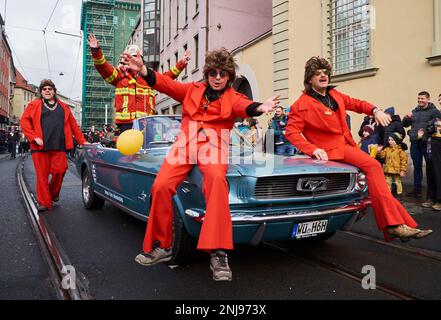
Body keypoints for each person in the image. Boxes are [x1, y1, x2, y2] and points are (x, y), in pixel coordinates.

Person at [123, 48, 280, 281]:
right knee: (161, 186)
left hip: (214, 146)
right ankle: (163, 246)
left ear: (229, 76)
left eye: (223, 74)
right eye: (213, 73)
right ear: (207, 74)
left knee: (217, 182)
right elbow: (166, 84)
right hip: (185, 145)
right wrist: (144, 70)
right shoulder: (192, 90)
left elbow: (245, 106)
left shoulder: (233, 97)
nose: (218, 77)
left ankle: (218, 252)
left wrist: (260, 107)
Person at [285, 56, 432, 241]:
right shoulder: (301, 104)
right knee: (374, 167)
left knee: (378, 182)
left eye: (325, 72)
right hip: (332, 150)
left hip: (348, 146)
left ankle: (398, 225)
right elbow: (291, 132)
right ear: (309, 79)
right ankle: (394, 225)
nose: (323, 76)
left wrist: (376, 110)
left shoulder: (335, 95)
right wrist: (312, 149)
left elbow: (357, 103)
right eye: (317, 73)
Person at [87, 33, 190, 133]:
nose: (133, 61)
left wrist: (181, 64)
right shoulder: (118, 75)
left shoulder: (148, 76)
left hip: (147, 123)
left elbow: (167, 78)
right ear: (125, 60)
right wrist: (96, 51)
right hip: (126, 125)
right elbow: (103, 67)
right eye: (131, 58)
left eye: (136, 58)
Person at [20, 79, 88, 212]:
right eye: (44, 89)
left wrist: (83, 141)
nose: (47, 91)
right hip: (40, 147)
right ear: (41, 92)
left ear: (54, 91)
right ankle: (44, 203)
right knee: (42, 176)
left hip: (59, 146)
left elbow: (74, 126)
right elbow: (24, 122)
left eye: (49, 89)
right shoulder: (34, 105)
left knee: (60, 171)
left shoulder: (64, 107)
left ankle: (52, 194)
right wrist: (34, 137)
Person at [402, 91, 441, 197]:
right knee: (417, 166)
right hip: (415, 143)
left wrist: (424, 134)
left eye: (422, 98)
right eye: (419, 98)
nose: (420, 100)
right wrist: (407, 118)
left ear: (428, 99)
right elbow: (405, 124)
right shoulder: (414, 111)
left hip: (427, 144)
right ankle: (417, 189)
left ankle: (431, 193)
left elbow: (436, 128)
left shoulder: (434, 112)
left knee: (431, 168)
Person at [377, 133, 408, 198]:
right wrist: (379, 151)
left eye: (392, 140)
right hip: (388, 169)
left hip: (397, 169)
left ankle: (399, 193)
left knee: (397, 181)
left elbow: (404, 161)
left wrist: (403, 170)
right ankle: (388, 193)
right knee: (387, 182)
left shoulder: (400, 151)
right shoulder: (387, 149)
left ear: (396, 141)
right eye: (389, 140)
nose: (390, 141)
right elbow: (382, 155)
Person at [422, 117, 441, 210]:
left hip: (438, 156)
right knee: (430, 177)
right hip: (430, 156)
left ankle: (439, 201)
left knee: (438, 177)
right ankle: (431, 199)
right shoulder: (435, 118)